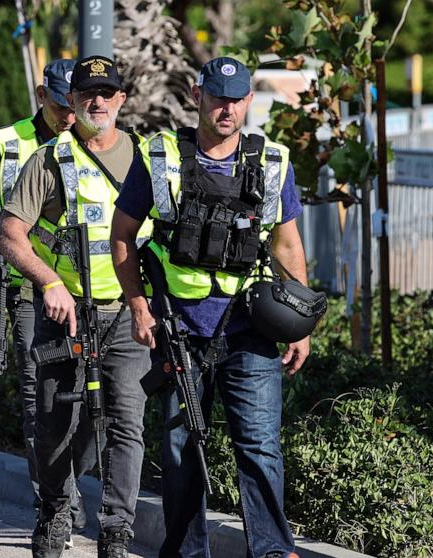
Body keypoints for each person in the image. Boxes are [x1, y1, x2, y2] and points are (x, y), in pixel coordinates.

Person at [110, 56, 310, 558]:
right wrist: (137, 305)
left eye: (237, 98)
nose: (227, 108)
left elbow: (287, 246)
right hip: (180, 330)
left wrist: (300, 323)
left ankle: (270, 551)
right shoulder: (160, 156)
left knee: (261, 449)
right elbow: (122, 237)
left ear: (248, 100)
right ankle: (183, 552)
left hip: (250, 328)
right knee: (180, 454)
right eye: (218, 97)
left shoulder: (272, 162)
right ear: (198, 96)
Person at [0, 55, 153, 558]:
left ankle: (115, 532)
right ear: (72, 99)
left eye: (107, 93)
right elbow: (10, 235)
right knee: (54, 427)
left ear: (122, 100)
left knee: (126, 425)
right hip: (65, 317)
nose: (97, 101)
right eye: (88, 93)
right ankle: (55, 508)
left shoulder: (147, 158)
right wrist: (47, 283)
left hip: (128, 316)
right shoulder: (49, 160)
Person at [0, 59, 93, 540]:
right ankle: (58, 506)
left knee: (97, 405)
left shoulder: (98, 143)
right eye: (60, 101)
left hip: (90, 293)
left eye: (76, 102)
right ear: (41, 94)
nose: (70, 112)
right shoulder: (8, 146)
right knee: (39, 398)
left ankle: (67, 486)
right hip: (26, 290)